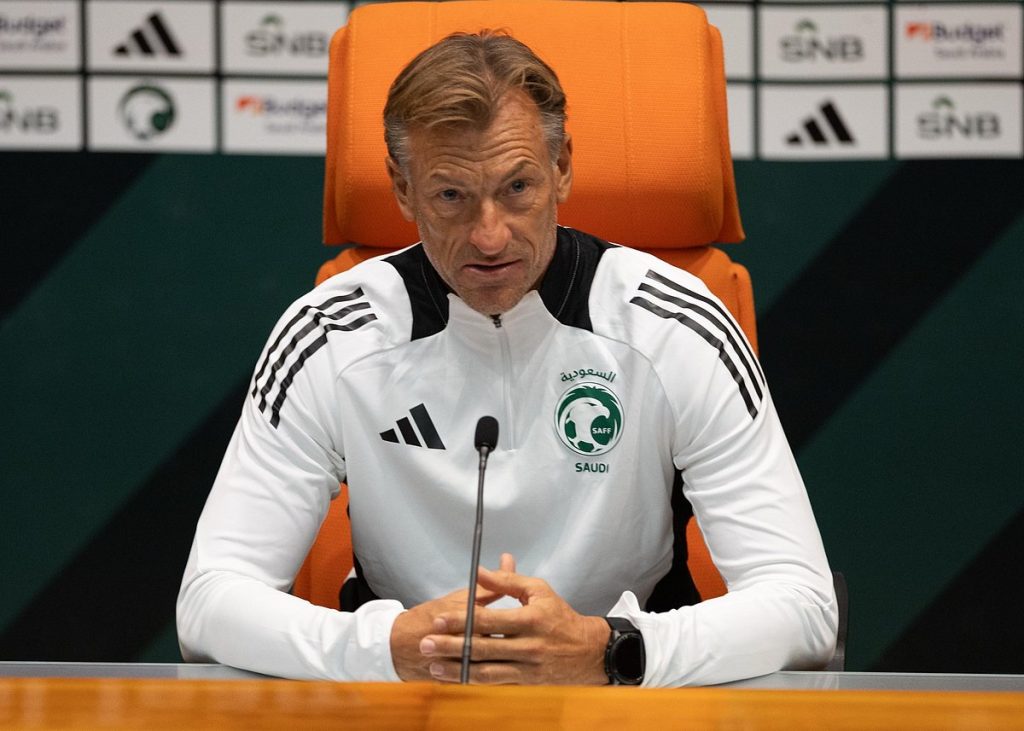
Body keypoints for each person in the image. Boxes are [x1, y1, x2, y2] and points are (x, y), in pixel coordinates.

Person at [177, 30, 837, 687]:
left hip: (624, 705)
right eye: (451, 196)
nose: (489, 236)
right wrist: (385, 648)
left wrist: (611, 649)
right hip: (403, 704)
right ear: (402, 189)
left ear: (562, 167)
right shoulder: (330, 333)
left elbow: (805, 604)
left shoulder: (674, 325)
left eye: (517, 187)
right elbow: (209, 601)